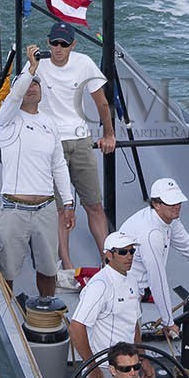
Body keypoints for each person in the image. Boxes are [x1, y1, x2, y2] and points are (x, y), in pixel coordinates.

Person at [26, 21, 116, 283]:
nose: (58, 48)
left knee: (95, 205)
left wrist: (109, 134)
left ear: (73, 45)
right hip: (50, 145)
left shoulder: (84, 63)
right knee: (61, 209)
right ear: (48, 43)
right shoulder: (38, 65)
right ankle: (65, 264)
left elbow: (101, 102)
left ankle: (107, 259)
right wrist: (30, 67)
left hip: (80, 142)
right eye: (54, 43)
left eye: (64, 44)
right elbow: (22, 94)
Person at [0, 57, 76, 296]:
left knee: (48, 269)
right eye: (27, 83)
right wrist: (30, 69)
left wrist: (68, 203)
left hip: (46, 210)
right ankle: (7, 316)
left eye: (35, 84)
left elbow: (59, 165)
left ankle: (47, 312)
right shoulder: (7, 119)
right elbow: (13, 96)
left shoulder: (49, 124)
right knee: (7, 271)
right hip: (14, 209)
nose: (31, 87)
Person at [118, 177, 189, 337]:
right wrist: (169, 322)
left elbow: (187, 245)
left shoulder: (168, 219)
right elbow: (158, 280)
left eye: (178, 202)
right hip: (125, 291)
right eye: (171, 203)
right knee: (130, 340)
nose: (177, 206)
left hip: (134, 286)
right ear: (156, 204)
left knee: (134, 339)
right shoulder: (152, 235)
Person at [69, 231, 142, 378]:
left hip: (130, 367)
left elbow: (134, 323)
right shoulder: (99, 286)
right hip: (105, 369)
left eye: (132, 251)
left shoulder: (132, 281)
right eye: (123, 252)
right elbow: (76, 327)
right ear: (109, 255)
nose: (129, 256)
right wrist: (92, 366)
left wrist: (142, 360)